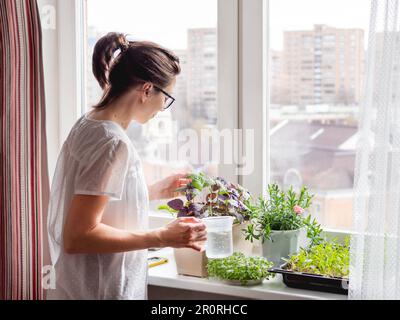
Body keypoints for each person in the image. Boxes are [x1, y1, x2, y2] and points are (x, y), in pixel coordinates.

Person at [46, 32, 207, 300]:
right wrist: (161, 237)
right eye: (166, 98)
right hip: (100, 292)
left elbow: (94, 200)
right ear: (146, 89)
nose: (162, 108)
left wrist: (153, 191)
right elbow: (78, 236)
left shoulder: (89, 124)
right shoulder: (112, 143)